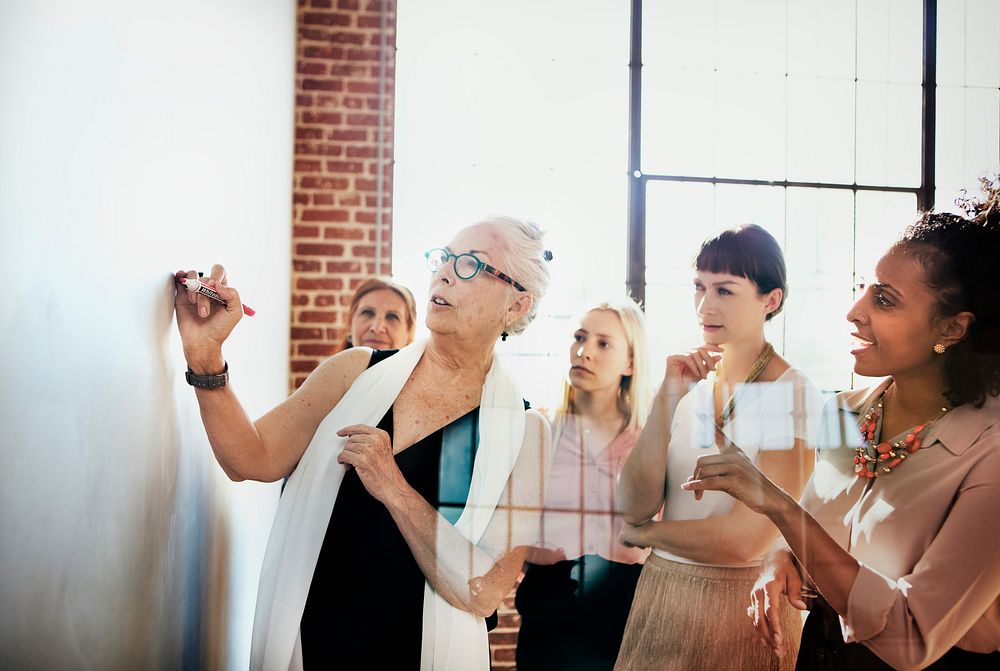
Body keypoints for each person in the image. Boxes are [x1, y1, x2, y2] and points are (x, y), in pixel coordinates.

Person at [173, 216, 553, 671]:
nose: (445, 272)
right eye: (444, 257)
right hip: (315, 645)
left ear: (516, 306)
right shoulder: (356, 371)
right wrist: (206, 357)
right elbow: (249, 459)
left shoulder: (528, 433)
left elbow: (486, 590)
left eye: (471, 264)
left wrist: (393, 486)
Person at [680, 179, 1000, 670]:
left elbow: (911, 642)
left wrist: (776, 505)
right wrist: (779, 561)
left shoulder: (990, 452)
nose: (854, 312)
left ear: (952, 328)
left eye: (885, 300)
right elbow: (812, 535)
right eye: (864, 289)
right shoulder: (843, 413)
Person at [615, 224, 825, 671]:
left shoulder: (793, 392)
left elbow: (746, 539)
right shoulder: (685, 381)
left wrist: (646, 535)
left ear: (771, 300)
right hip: (663, 594)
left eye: (725, 290)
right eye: (699, 287)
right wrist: (666, 399)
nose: (705, 306)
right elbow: (632, 504)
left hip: (742, 606)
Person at [515, 298, 654, 671]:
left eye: (602, 343)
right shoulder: (539, 430)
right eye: (579, 337)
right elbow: (509, 523)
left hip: (627, 619)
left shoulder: (651, 443)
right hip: (548, 617)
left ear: (630, 362)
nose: (584, 351)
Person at [341, 276, 417, 350]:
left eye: (392, 317)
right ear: (350, 324)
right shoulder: (330, 363)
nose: (377, 328)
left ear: (409, 333)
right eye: (367, 313)